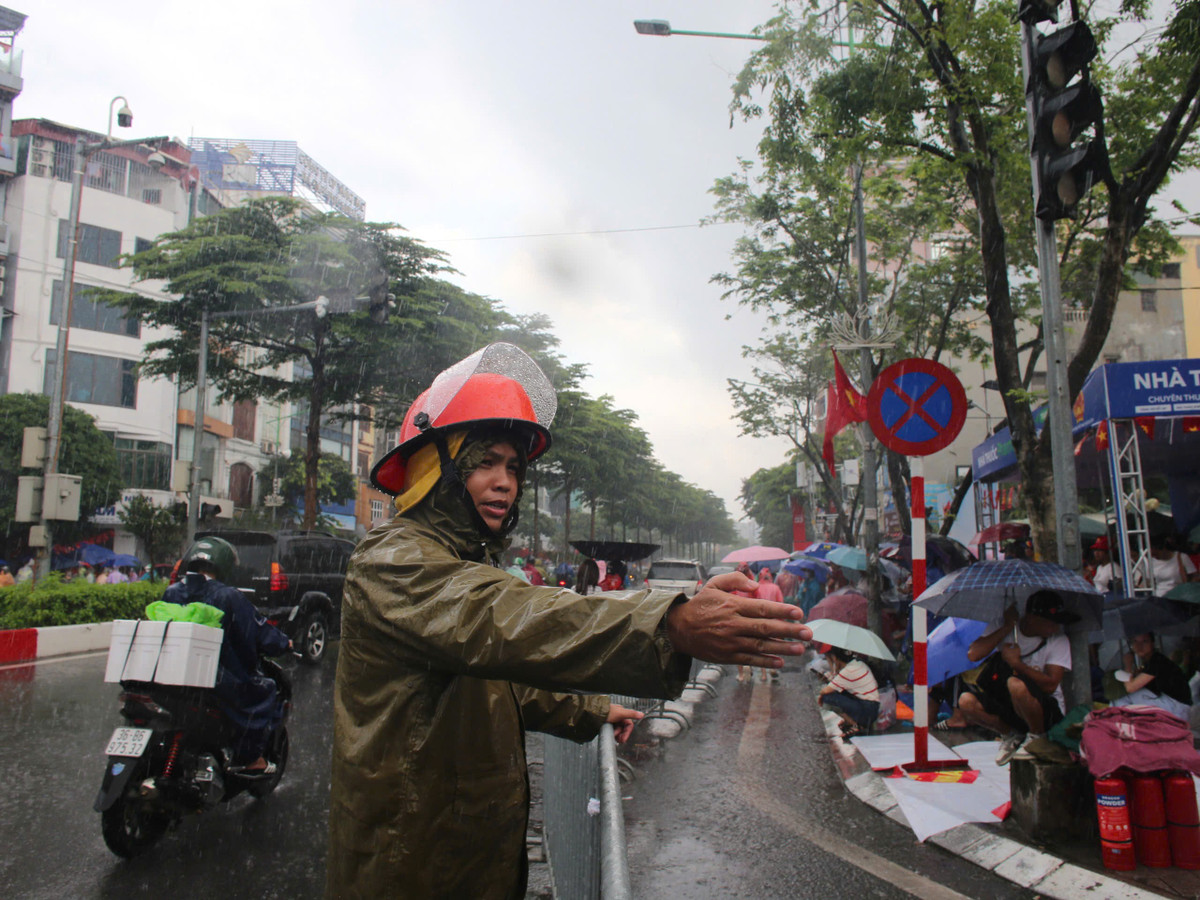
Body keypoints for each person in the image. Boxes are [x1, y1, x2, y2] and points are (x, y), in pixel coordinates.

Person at [327, 344, 810, 898]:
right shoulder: (393, 561)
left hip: (468, 859)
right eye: (484, 461)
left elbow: (492, 685)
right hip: (406, 863)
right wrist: (669, 622)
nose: (505, 482)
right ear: (437, 468)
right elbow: (510, 617)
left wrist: (588, 710)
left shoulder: (467, 560)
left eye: (513, 466)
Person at [164, 536, 292, 772]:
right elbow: (259, 631)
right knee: (265, 691)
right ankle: (250, 758)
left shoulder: (172, 591)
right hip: (217, 674)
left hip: (173, 673)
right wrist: (285, 643)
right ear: (224, 566)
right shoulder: (228, 595)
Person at [957, 590, 1077, 765]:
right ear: (1032, 618)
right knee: (966, 701)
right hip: (1011, 705)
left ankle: (1037, 736)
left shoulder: (1058, 640)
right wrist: (1006, 626)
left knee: (1016, 684)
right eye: (1051, 623)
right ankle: (1012, 734)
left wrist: (1017, 664)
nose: (1055, 628)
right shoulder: (1006, 626)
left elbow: (1051, 684)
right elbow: (973, 654)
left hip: (1045, 708)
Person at [1111, 632, 1193, 720]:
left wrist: (1128, 665)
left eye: (1145, 641)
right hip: (1171, 705)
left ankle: (1119, 725)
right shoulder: (1148, 662)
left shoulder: (1157, 660)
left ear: (1152, 644)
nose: (1139, 645)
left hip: (1177, 708)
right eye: (1135, 641)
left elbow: (1130, 688)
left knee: (1121, 697)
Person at [818, 644, 880, 736]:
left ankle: (854, 724)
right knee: (838, 692)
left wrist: (821, 696)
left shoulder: (848, 671)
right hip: (872, 708)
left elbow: (825, 691)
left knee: (827, 698)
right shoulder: (858, 663)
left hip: (867, 711)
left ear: (835, 658)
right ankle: (853, 721)